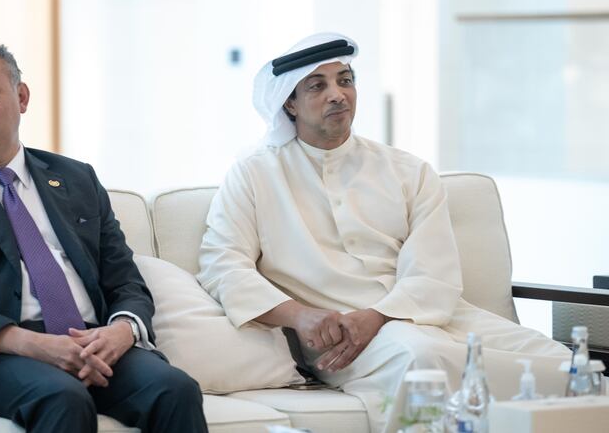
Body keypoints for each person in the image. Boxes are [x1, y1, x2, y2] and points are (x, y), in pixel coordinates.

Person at [196, 32, 570, 432]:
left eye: (345, 80)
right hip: (340, 340)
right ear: (290, 102)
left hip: (431, 317)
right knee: (422, 359)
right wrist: (300, 317)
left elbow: (433, 273)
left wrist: (378, 315)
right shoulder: (255, 172)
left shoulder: (409, 171)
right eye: (318, 86)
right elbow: (223, 265)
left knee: (569, 366)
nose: (338, 94)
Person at [0, 41, 207, 433]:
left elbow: (123, 276)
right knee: (62, 396)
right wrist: (34, 345)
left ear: (21, 97)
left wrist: (121, 332)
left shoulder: (76, 177)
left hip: (92, 341)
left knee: (174, 388)